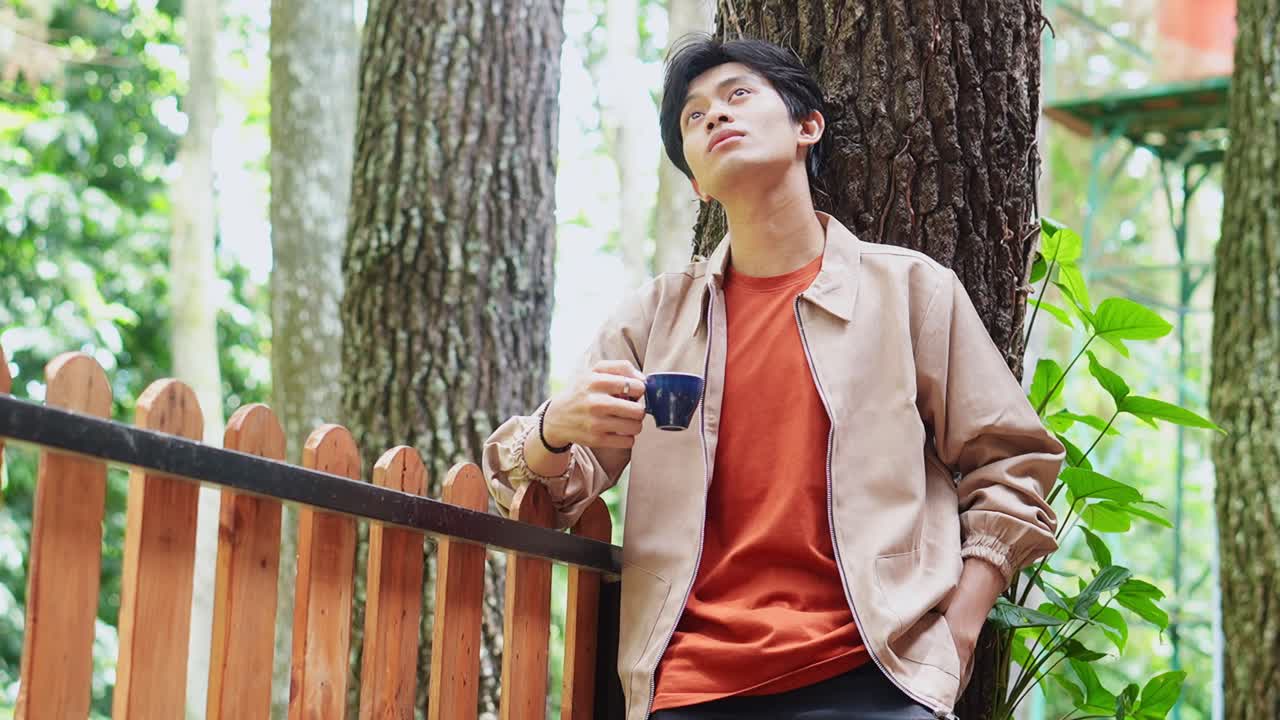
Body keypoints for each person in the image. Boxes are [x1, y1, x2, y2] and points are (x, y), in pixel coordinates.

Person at [483, 34, 1062, 720]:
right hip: (690, 687)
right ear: (697, 181)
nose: (715, 117)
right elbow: (532, 484)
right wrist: (552, 430)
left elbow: (1016, 462)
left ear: (806, 126)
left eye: (738, 96)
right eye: (693, 117)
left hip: (875, 678)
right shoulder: (655, 320)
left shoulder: (909, 292)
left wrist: (955, 637)